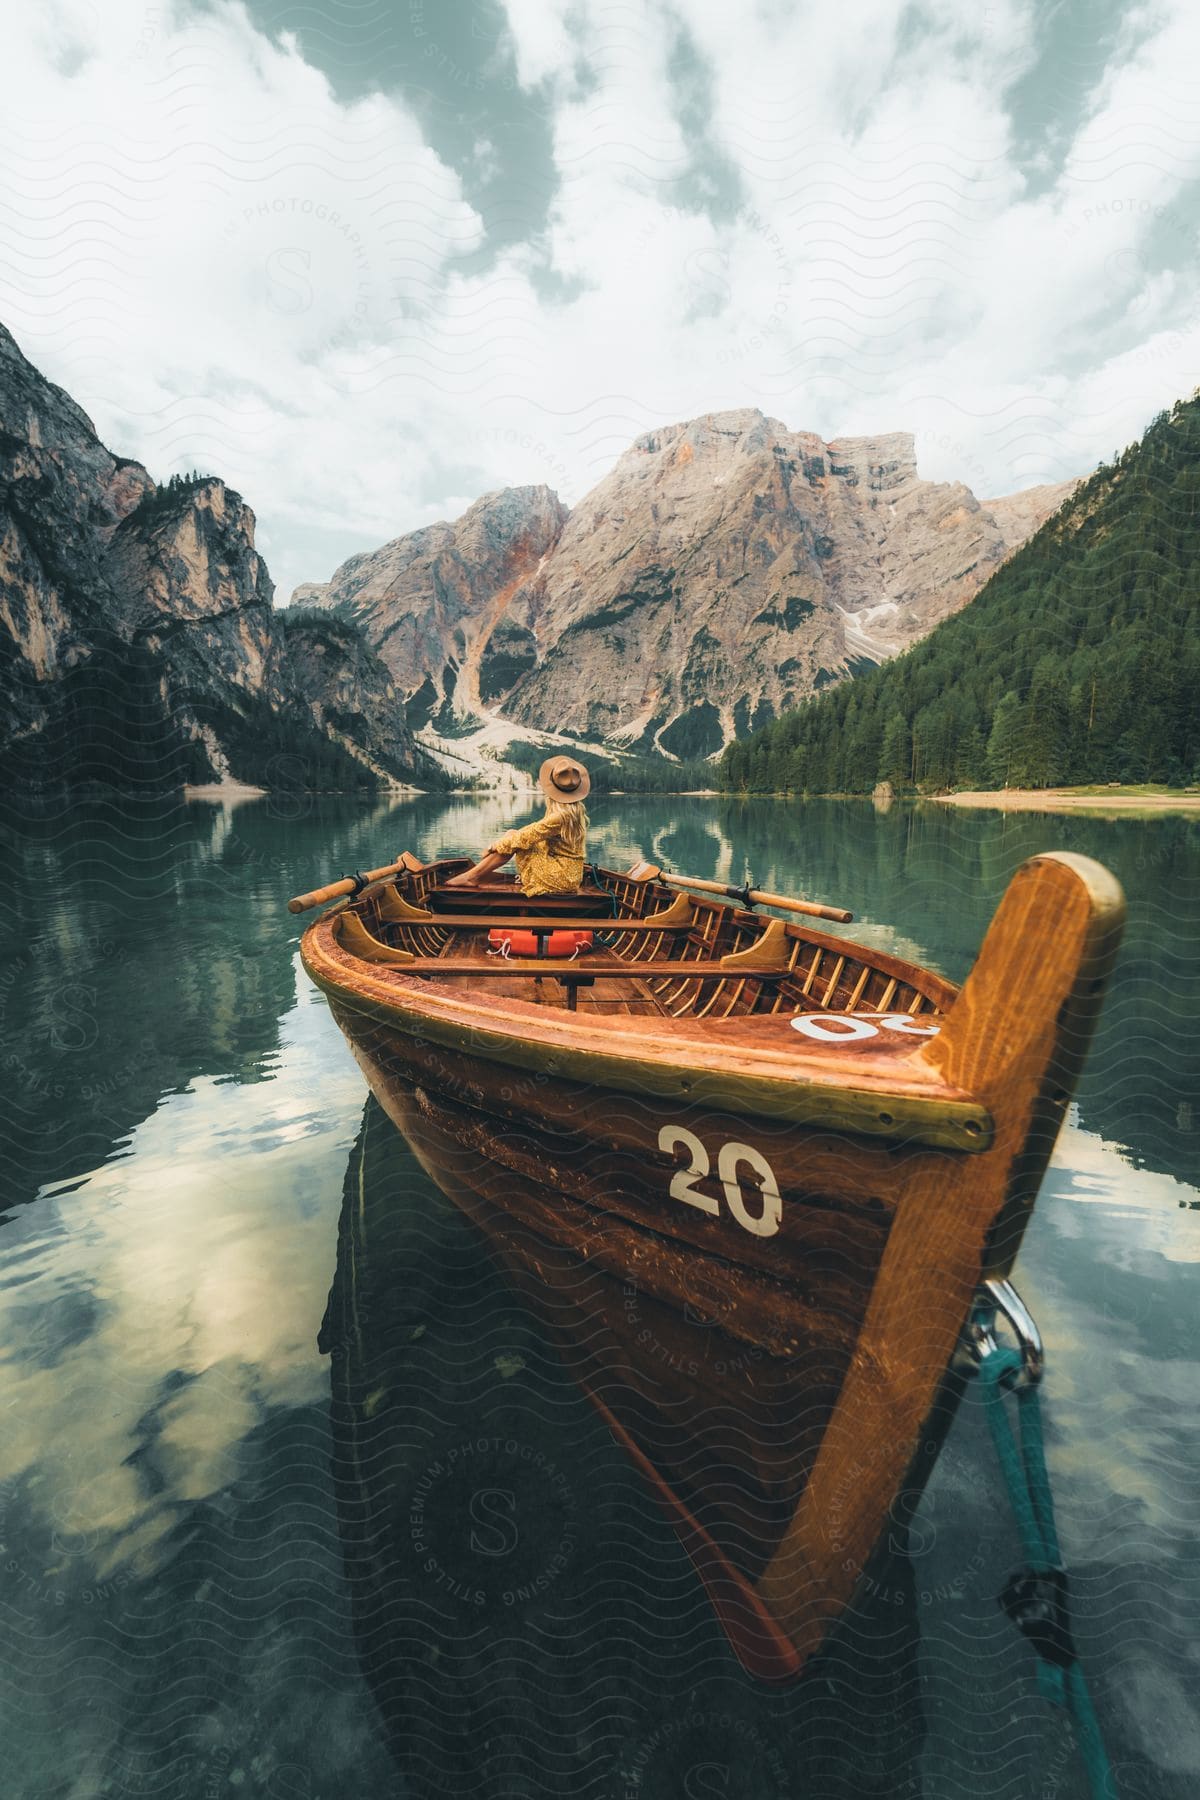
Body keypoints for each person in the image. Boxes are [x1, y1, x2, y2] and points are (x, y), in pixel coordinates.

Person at [446, 756, 590, 896]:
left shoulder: (560, 817)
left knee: (517, 840)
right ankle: (475, 875)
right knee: (513, 835)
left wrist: (493, 846)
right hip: (570, 874)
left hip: (562, 877)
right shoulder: (574, 812)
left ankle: (473, 876)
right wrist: (503, 841)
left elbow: (524, 837)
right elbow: (533, 829)